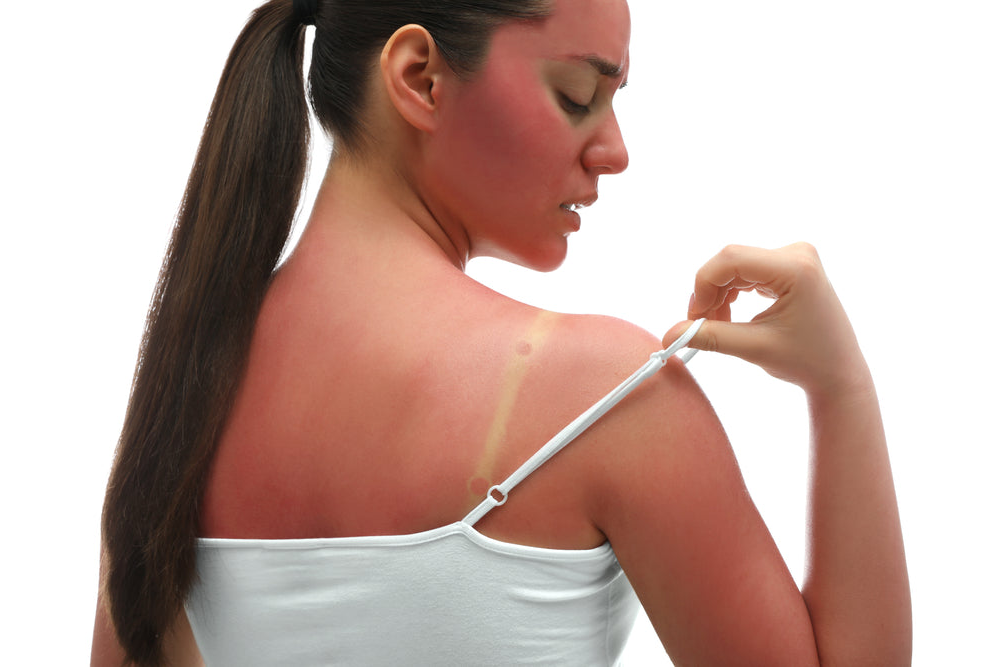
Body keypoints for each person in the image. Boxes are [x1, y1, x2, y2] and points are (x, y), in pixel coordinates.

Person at [91, 0, 911, 665]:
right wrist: (840, 385)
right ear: (421, 79)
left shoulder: (185, 389)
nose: (616, 151)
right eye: (578, 95)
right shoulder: (605, 396)